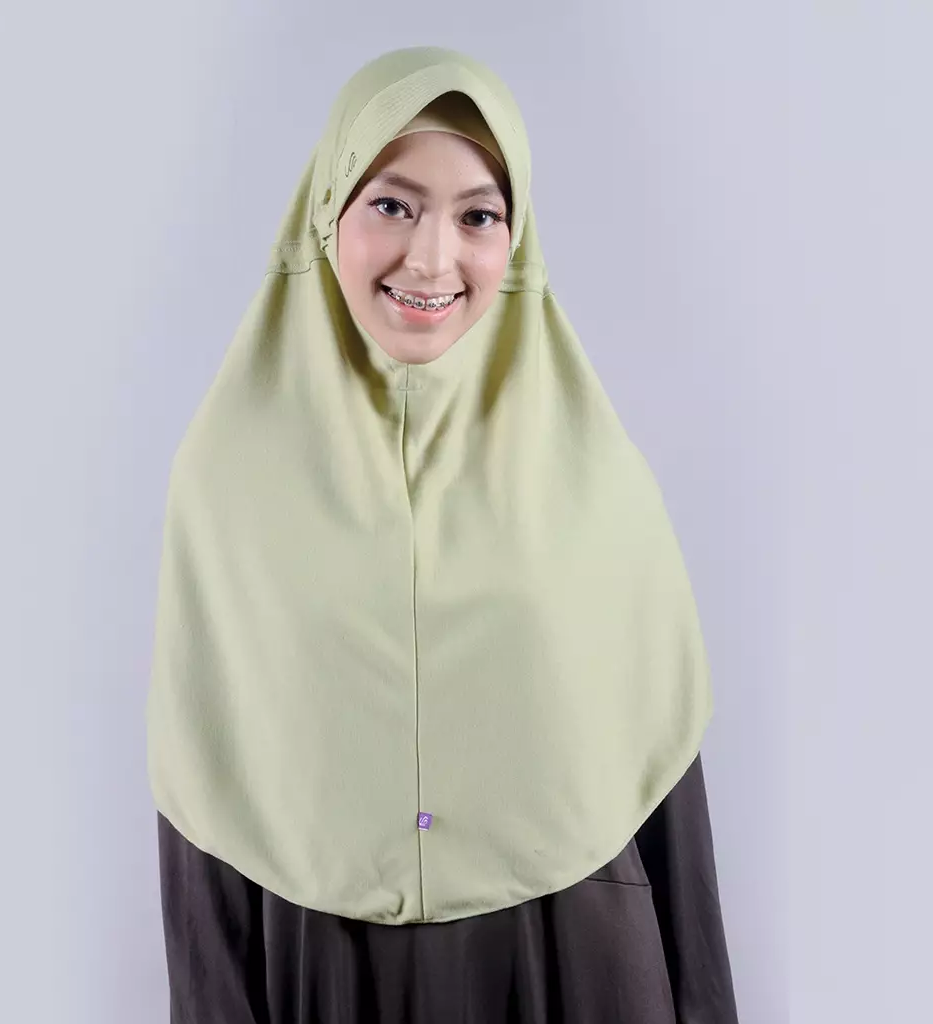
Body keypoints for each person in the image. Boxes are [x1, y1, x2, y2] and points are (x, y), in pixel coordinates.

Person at [147, 46, 740, 1023]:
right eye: (392, 204)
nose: (431, 258)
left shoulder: (597, 479)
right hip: (326, 971)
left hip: (575, 963)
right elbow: (203, 798)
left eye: (478, 215)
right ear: (327, 208)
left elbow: (667, 795)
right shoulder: (225, 485)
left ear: (517, 235)